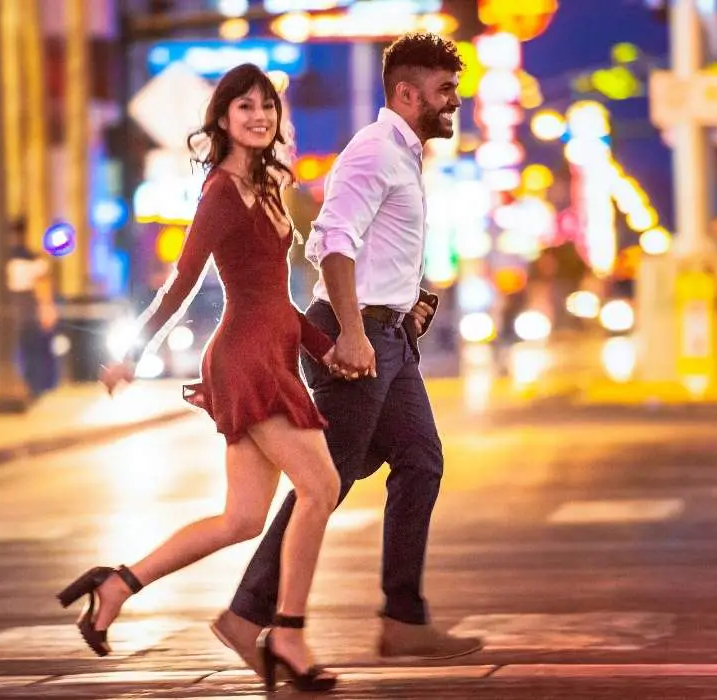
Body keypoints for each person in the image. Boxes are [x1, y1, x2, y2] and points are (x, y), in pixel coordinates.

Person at [56, 64, 341, 693]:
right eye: (245, 107)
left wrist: (333, 345)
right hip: (246, 360)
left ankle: (116, 584)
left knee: (241, 519)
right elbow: (182, 284)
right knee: (321, 487)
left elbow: (278, 297)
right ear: (221, 119)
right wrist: (133, 353)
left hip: (270, 351)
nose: (259, 116)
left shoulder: (268, 185)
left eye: (267, 106)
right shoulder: (220, 192)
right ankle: (287, 633)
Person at [211, 32, 483, 669]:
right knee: (325, 479)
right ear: (407, 93)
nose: (454, 103)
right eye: (444, 92)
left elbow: (373, 249)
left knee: (419, 460)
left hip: (389, 336)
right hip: (358, 336)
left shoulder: (404, 154)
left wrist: (408, 296)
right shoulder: (373, 151)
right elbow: (333, 241)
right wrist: (356, 332)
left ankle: (403, 619)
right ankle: (247, 612)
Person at [5, 218, 59, 397]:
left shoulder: (6, 262)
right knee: (32, 350)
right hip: (29, 307)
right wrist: (47, 308)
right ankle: (33, 386)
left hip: (15, 308)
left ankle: (27, 385)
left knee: (21, 350)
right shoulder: (34, 259)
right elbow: (43, 287)